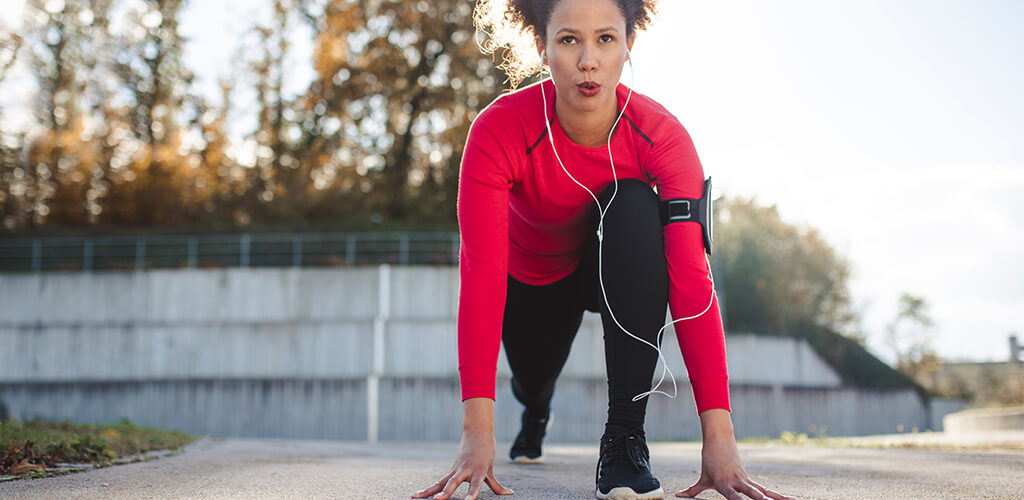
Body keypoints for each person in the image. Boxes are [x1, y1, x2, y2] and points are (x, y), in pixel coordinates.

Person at [414, 1, 797, 499]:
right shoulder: (499, 130)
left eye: (606, 39)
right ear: (542, 48)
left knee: (637, 203)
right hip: (536, 278)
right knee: (532, 379)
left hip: (610, 262)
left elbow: (691, 283)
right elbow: (483, 275)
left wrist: (720, 441)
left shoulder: (662, 137)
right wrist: (476, 433)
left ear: (628, 46)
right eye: (569, 40)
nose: (588, 60)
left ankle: (624, 441)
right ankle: (536, 412)